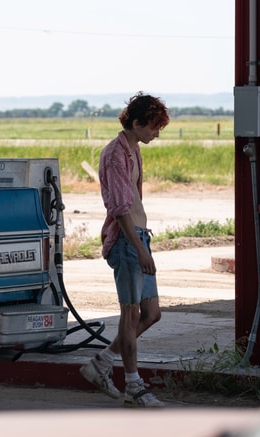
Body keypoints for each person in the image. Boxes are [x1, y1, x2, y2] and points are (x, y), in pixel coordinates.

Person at [80, 92, 170, 408]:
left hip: (139, 238)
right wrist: (139, 248)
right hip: (126, 241)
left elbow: (134, 200)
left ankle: (101, 364)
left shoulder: (133, 151)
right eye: (153, 127)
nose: (157, 134)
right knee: (131, 313)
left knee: (151, 313)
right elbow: (120, 209)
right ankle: (133, 385)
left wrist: (145, 241)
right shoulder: (114, 155)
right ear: (136, 122)